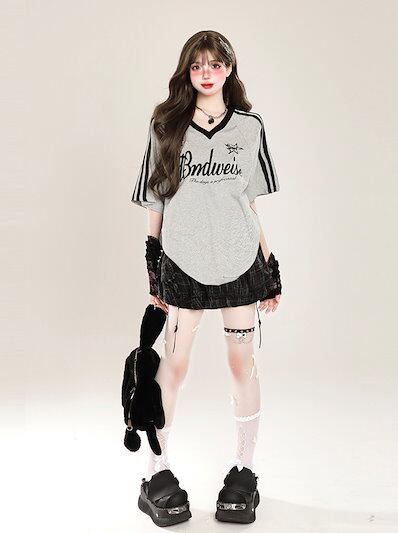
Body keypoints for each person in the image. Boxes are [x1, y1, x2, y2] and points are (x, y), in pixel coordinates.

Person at [131, 30, 282, 527]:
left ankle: (244, 470)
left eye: (216, 64)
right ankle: (155, 472)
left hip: (240, 262)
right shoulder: (165, 124)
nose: (207, 73)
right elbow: (156, 199)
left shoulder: (251, 127)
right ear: (187, 71)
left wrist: (270, 266)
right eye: (197, 65)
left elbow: (248, 202)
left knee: (243, 365)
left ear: (229, 68)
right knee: (173, 366)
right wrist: (152, 262)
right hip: (183, 261)